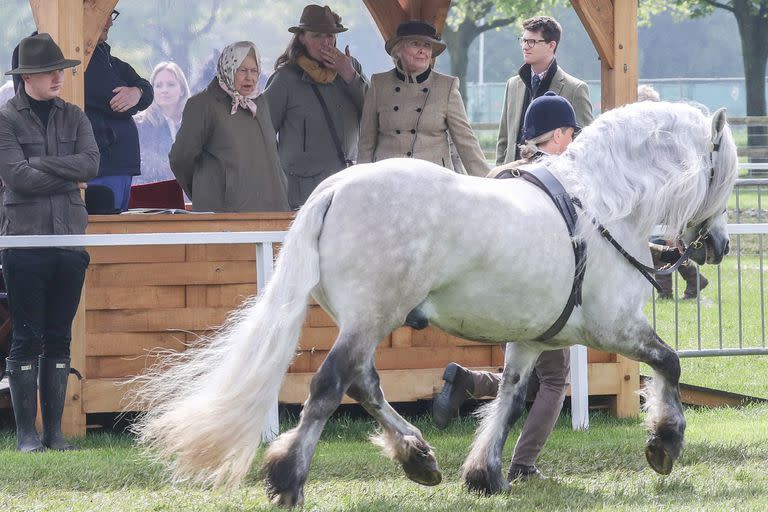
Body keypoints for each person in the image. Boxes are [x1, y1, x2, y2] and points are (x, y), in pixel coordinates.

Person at [433, 92, 579, 482]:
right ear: (561, 135)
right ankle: (524, 464)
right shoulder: (563, 180)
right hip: (543, 293)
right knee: (553, 379)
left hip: (499, 294)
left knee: (524, 375)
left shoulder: (502, 173)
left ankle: (470, 380)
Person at [0, 33, 99, 451]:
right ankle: (27, 435)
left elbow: (91, 165)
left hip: (69, 240)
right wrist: (64, 175)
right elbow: (15, 177)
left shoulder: (75, 116)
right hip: (23, 241)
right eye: (50, 71)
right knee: (27, 336)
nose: (59, 76)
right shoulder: (5, 118)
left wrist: (38, 163)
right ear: (28, 77)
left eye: (60, 70)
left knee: (59, 336)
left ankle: (54, 434)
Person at [264, 4, 369, 209]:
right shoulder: (285, 78)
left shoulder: (351, 67)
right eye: (317, 36)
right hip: (302, 195)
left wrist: (349, 75)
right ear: (301, 38)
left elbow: (375, 115)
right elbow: (262, 134)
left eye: (330, 36)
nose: (326, 42)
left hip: (347, 189)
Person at [169, 41, 290, 212]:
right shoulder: (203, 104)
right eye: (242, 70)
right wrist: (205, 190)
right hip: (225, 215)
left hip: (272, 211)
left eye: (254, 71)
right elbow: (180, 158)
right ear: (228, 68)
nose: (250, 77)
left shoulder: (259, 103)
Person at [357, 20, 488, 177]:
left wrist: (487, 179)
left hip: (434, 179)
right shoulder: (379, 84)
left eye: (427, 45)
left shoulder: (447, 86)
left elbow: (465, 141)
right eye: (415, 44)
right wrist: (361, 178)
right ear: (398, 50)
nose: (422, 51)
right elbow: (366, 142)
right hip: (387, 177)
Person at [638, 84, 709, 299]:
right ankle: (690, 281)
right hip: (654, 198)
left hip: (668, 200)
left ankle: (674, 287)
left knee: (665, 242)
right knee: (662, 243)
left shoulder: (664, 139)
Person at [496, 15, 593, 165]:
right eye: (523, 40)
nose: (525, 46)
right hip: (512, 180)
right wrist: (499, 175)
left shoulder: (575, 89)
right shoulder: (513, 85)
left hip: (552, 182)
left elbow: (585, 144)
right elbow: (504, 140)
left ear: (551, 45)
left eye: (532, 41)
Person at [84, 9, 153, 211]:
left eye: (111, 14)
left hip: (118, 168)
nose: (110, 22)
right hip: (101, 169)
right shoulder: (83, 57)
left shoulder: (103, 53)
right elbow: (115, 101)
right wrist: (133, 94)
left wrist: (138, 92)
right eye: (105, 13)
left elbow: (145, 86)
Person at [133, 62, 191, 185]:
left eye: (171, 84)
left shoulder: (194, 124)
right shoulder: (139, 125)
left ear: (182, 90)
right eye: (158, 85)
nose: (164, 90)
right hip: (152, 194)